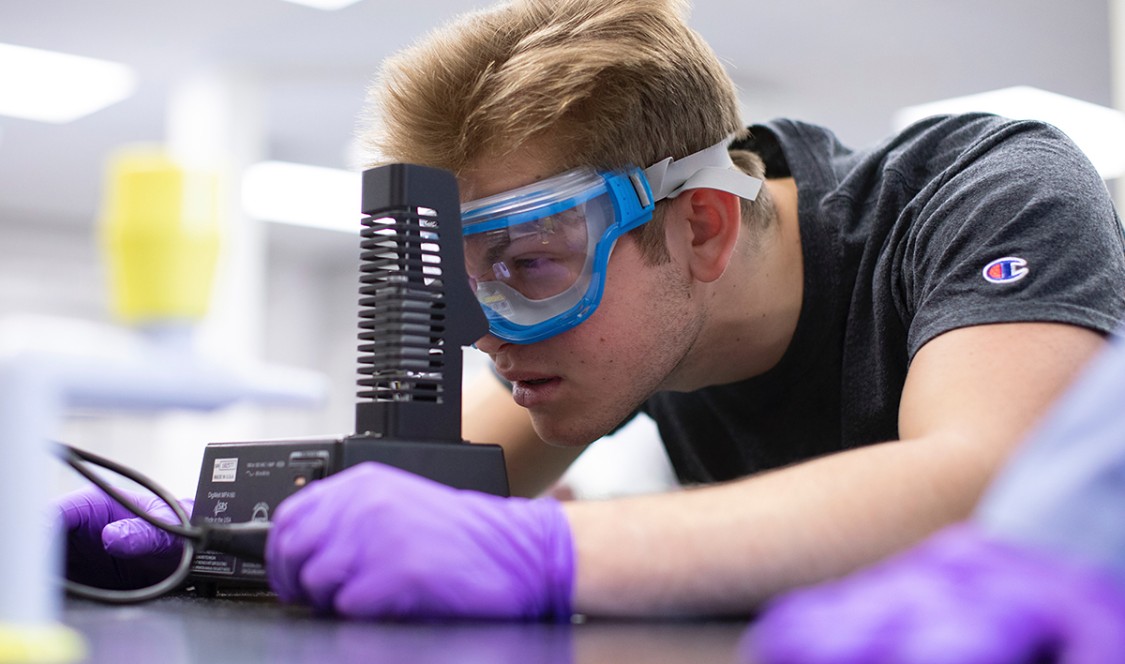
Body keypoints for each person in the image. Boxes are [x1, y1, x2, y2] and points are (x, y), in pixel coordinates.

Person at [61, 0, 1125, 620]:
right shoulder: (607, 327)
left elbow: (995, 486)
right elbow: (422, 499)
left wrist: (557, 553)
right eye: (464, 280)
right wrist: (192, 545)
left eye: (526, 263)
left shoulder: (985, 189)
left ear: (702, 226)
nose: (484, 332)